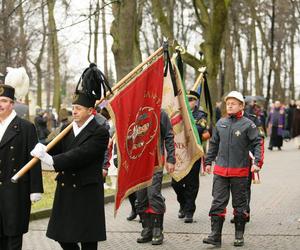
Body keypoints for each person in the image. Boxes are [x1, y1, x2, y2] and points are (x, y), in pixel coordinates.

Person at [31, 63, 111, 250]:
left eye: (79, 108)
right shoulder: (66, 129)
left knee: (88, 240)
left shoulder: (99, 132)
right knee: (63, 236)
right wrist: (41, 149)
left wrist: (52, 161)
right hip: (67, 189)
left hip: (87, 191)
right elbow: (54, 147)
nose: (74, 111)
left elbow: (81, 154)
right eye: (73, 107)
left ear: (91, 111)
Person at [202, 91, 261, 247]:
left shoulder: (249, 124)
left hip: (240, 172)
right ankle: (215, 236)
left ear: (241, 105)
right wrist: (208, 162)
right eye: (228, 103)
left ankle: (239, 235)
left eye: (233, 103)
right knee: (217, 203)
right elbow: (213, 144)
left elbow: (257, 144)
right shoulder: (221, 123)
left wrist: (257, 163)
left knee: (240, 205)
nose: (229, 105)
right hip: (220, 172)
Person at [0, 84, 43, 250]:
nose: (0, 104)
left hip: (16, 191)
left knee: (13, 238)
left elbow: (34, 159)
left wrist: (35, 189)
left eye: (4, 100)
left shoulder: (26, 128)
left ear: (12, 104)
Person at [136, 110, 175, 245]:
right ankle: (147, 228)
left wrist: (171, 158)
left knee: (153, 195)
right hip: (137, 163)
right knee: (140, 198)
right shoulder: (133, 111)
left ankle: (158, 230)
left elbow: (169, 136)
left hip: (155, 161)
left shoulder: (160, 113)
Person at [171, 90, 209, 223]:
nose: (188, 102)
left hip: (193, 153)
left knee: (191, 184)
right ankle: (183, 204)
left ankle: (189, 211)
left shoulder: (201, 115)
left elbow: (197, 130)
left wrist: (186, 120)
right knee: (175, 182)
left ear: (196, 102)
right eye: (186, 100)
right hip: (178, 153)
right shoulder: (176, 114)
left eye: (191, 100)